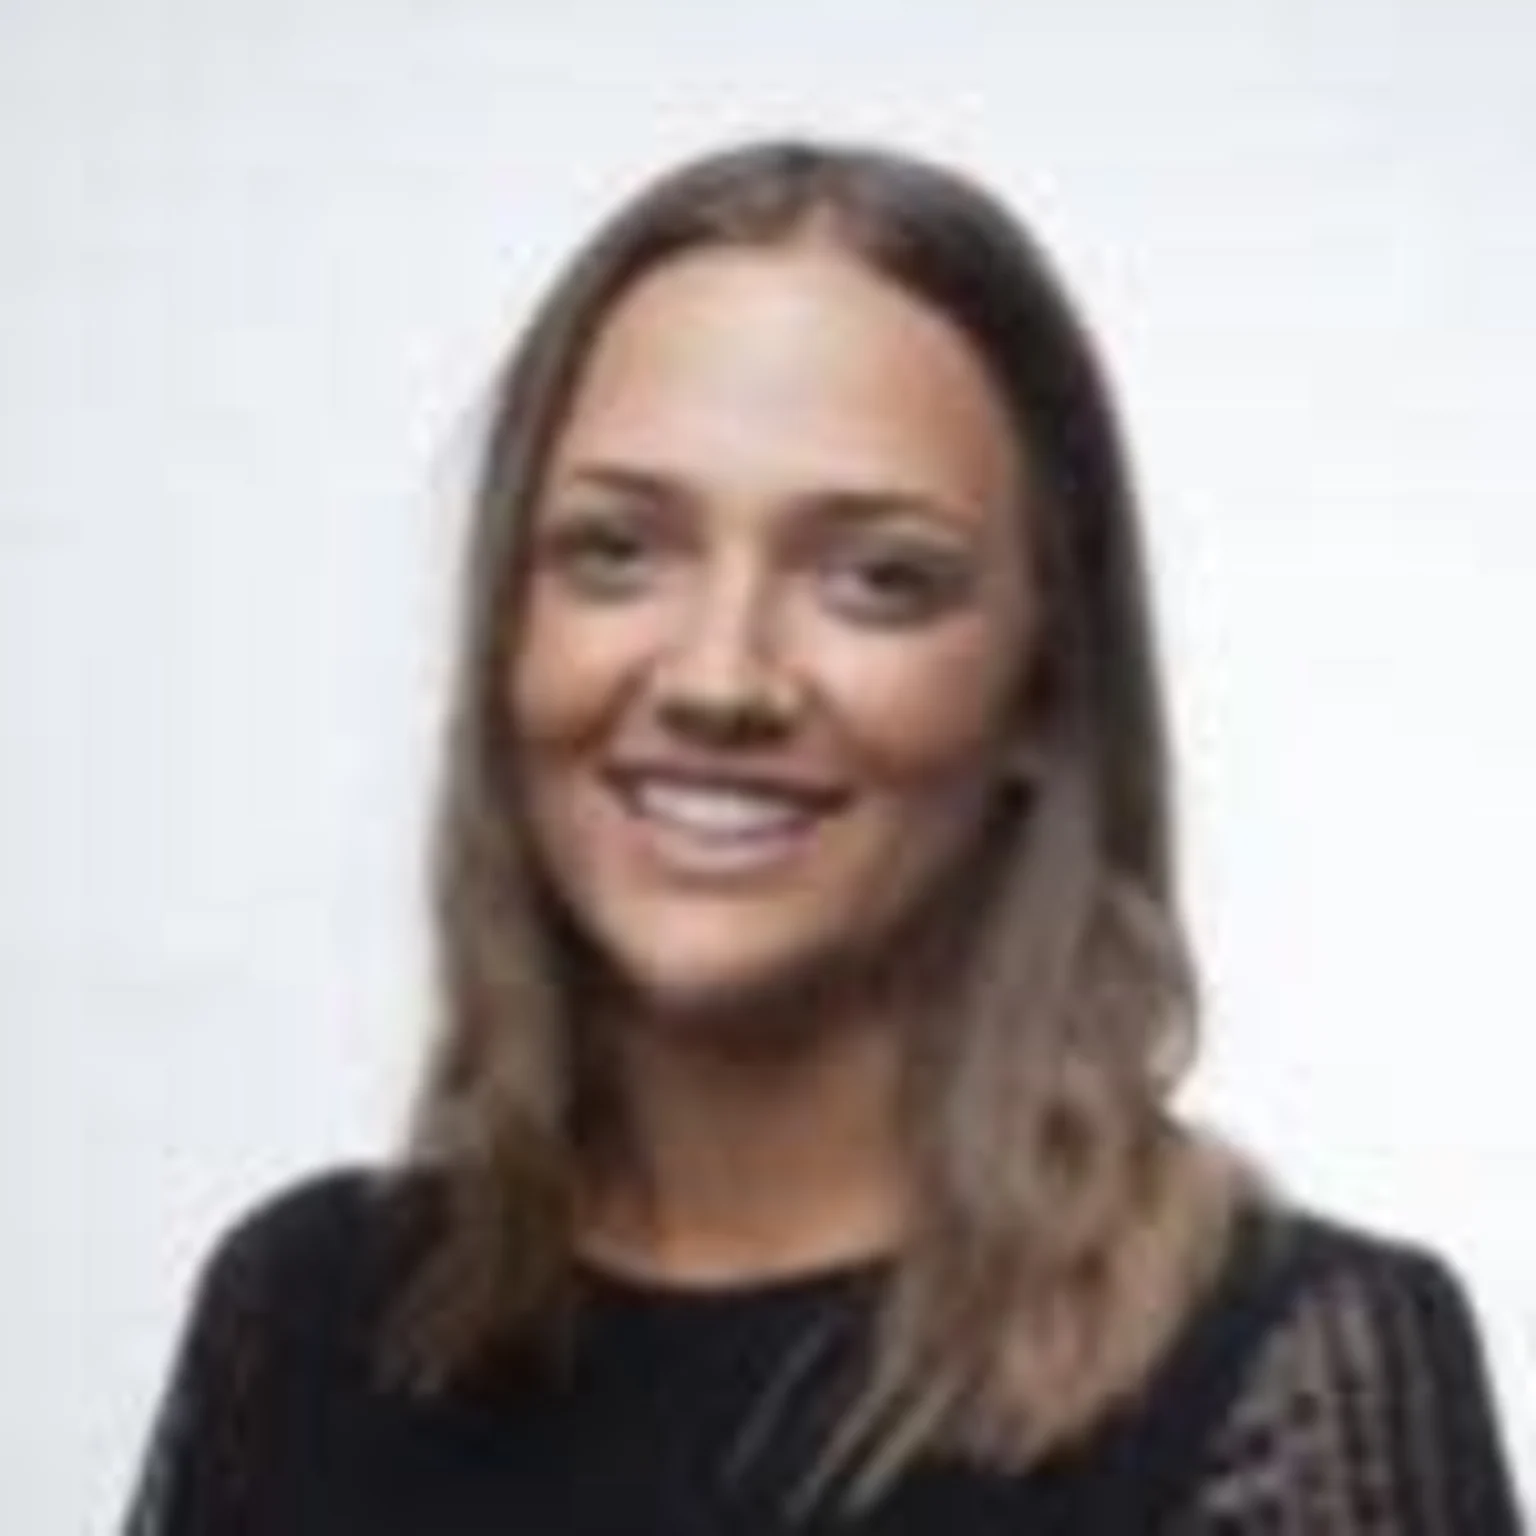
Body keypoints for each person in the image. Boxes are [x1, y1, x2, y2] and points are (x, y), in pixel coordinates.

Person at [122, 140, 1523, 1534]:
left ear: (1044, 688)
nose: (720, 679)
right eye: (617, 551)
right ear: (508, 631)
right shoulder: (298, 1320)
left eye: (878, 580)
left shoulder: (1285, 1367)